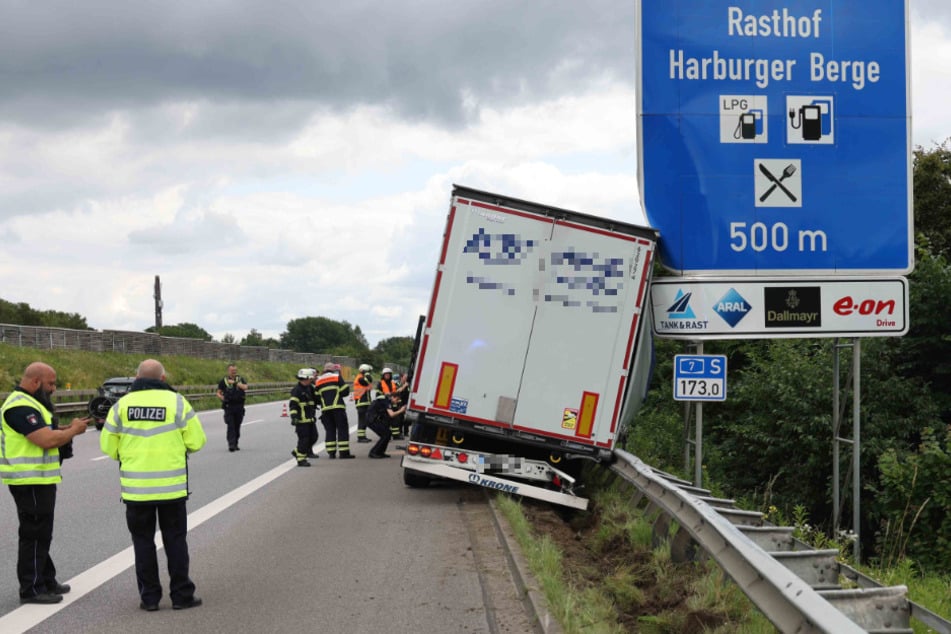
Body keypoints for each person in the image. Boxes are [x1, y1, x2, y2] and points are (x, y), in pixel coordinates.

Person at [100, 359, 206, 612]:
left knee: (143, 542)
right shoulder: (177, 402)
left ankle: (149, 598)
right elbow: (197, 441)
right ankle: (181, 596)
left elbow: (107, 446)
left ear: (136, 378)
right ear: (163, 378)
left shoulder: (121, 405)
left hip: (136, 491)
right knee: (175, 541)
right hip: (171, 489)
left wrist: (128, 456)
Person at [1, 362, 89, 604]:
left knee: (41, 531)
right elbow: (45, 439)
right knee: (34, 533)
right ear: (36, 382)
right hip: (29, 479)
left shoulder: (31, 404)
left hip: (37, 478)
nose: (54, 388)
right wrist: (72, 432)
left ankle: (46, 579)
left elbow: (44, 430)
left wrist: (67, 428)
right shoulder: (20, 406)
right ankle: (31, 588)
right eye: (50, 383)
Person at [315, 362, 352, 459]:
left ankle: (331, 453)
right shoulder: (336, 377)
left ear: (324, 370)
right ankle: (344, 453)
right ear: (333, 369)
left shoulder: (318, 381)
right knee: (342, 430)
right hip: (338, 408)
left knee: (330, 430)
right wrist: (337, 393)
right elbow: (345, 391)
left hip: (325, 410)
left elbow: (316, 397)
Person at [289, 368, 318, 466]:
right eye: (311, 378)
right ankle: (301, 460)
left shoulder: (310, 388)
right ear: (307, 378)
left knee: (314, 437)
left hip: (310, 419)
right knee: (304, 440)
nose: (311, 380)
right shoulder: (297, 390)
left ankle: (297, 451)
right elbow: (293, 405)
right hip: (301, 420)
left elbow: (316, 400)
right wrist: (294, 417)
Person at [216, 364, 248, 452]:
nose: (234, 372)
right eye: (232, 370)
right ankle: (231, 444)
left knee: (237, 425)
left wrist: (235, 383)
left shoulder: (240, 379)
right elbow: (218, 392)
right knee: (231, 426)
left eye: (235, 370)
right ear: (228, 371)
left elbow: (245, 387)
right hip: (229, 406)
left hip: (239, 406)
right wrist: (222, 397)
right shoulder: (224, 381)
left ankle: (236, 443)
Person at [365, 392, 405, 458]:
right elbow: (391, 414)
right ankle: (374, 452)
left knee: (387, 434)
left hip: (373, 418)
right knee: (385, 434)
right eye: (397, 400)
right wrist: (401, 411)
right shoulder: (386, 401)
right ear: (393, 397)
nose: (396, 402)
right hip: (371, 419)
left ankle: (380, 452)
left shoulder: (385, 399)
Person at [377, 368, 408, 439]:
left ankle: (396, 435)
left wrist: (397, 400)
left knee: (396, 419)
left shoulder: (393, 383)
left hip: (394, 404)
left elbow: (397, 392)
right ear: (383, 375)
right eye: (386, 374)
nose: (387, 376)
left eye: (389, 374)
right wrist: (387, 397)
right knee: (385, 420)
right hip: (385, 404)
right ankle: (385, 435)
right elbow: (378, 394)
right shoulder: (380, 383)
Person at [352, 364, 373, 443]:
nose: (369, 373)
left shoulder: (361, 377)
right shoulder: (360, 378)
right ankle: (361, 437)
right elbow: (368, 380)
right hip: (361, 402)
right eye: (368, 372)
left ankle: (362, 436)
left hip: (363, 402)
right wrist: (367, 374)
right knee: (362, 420)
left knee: (364, 420)